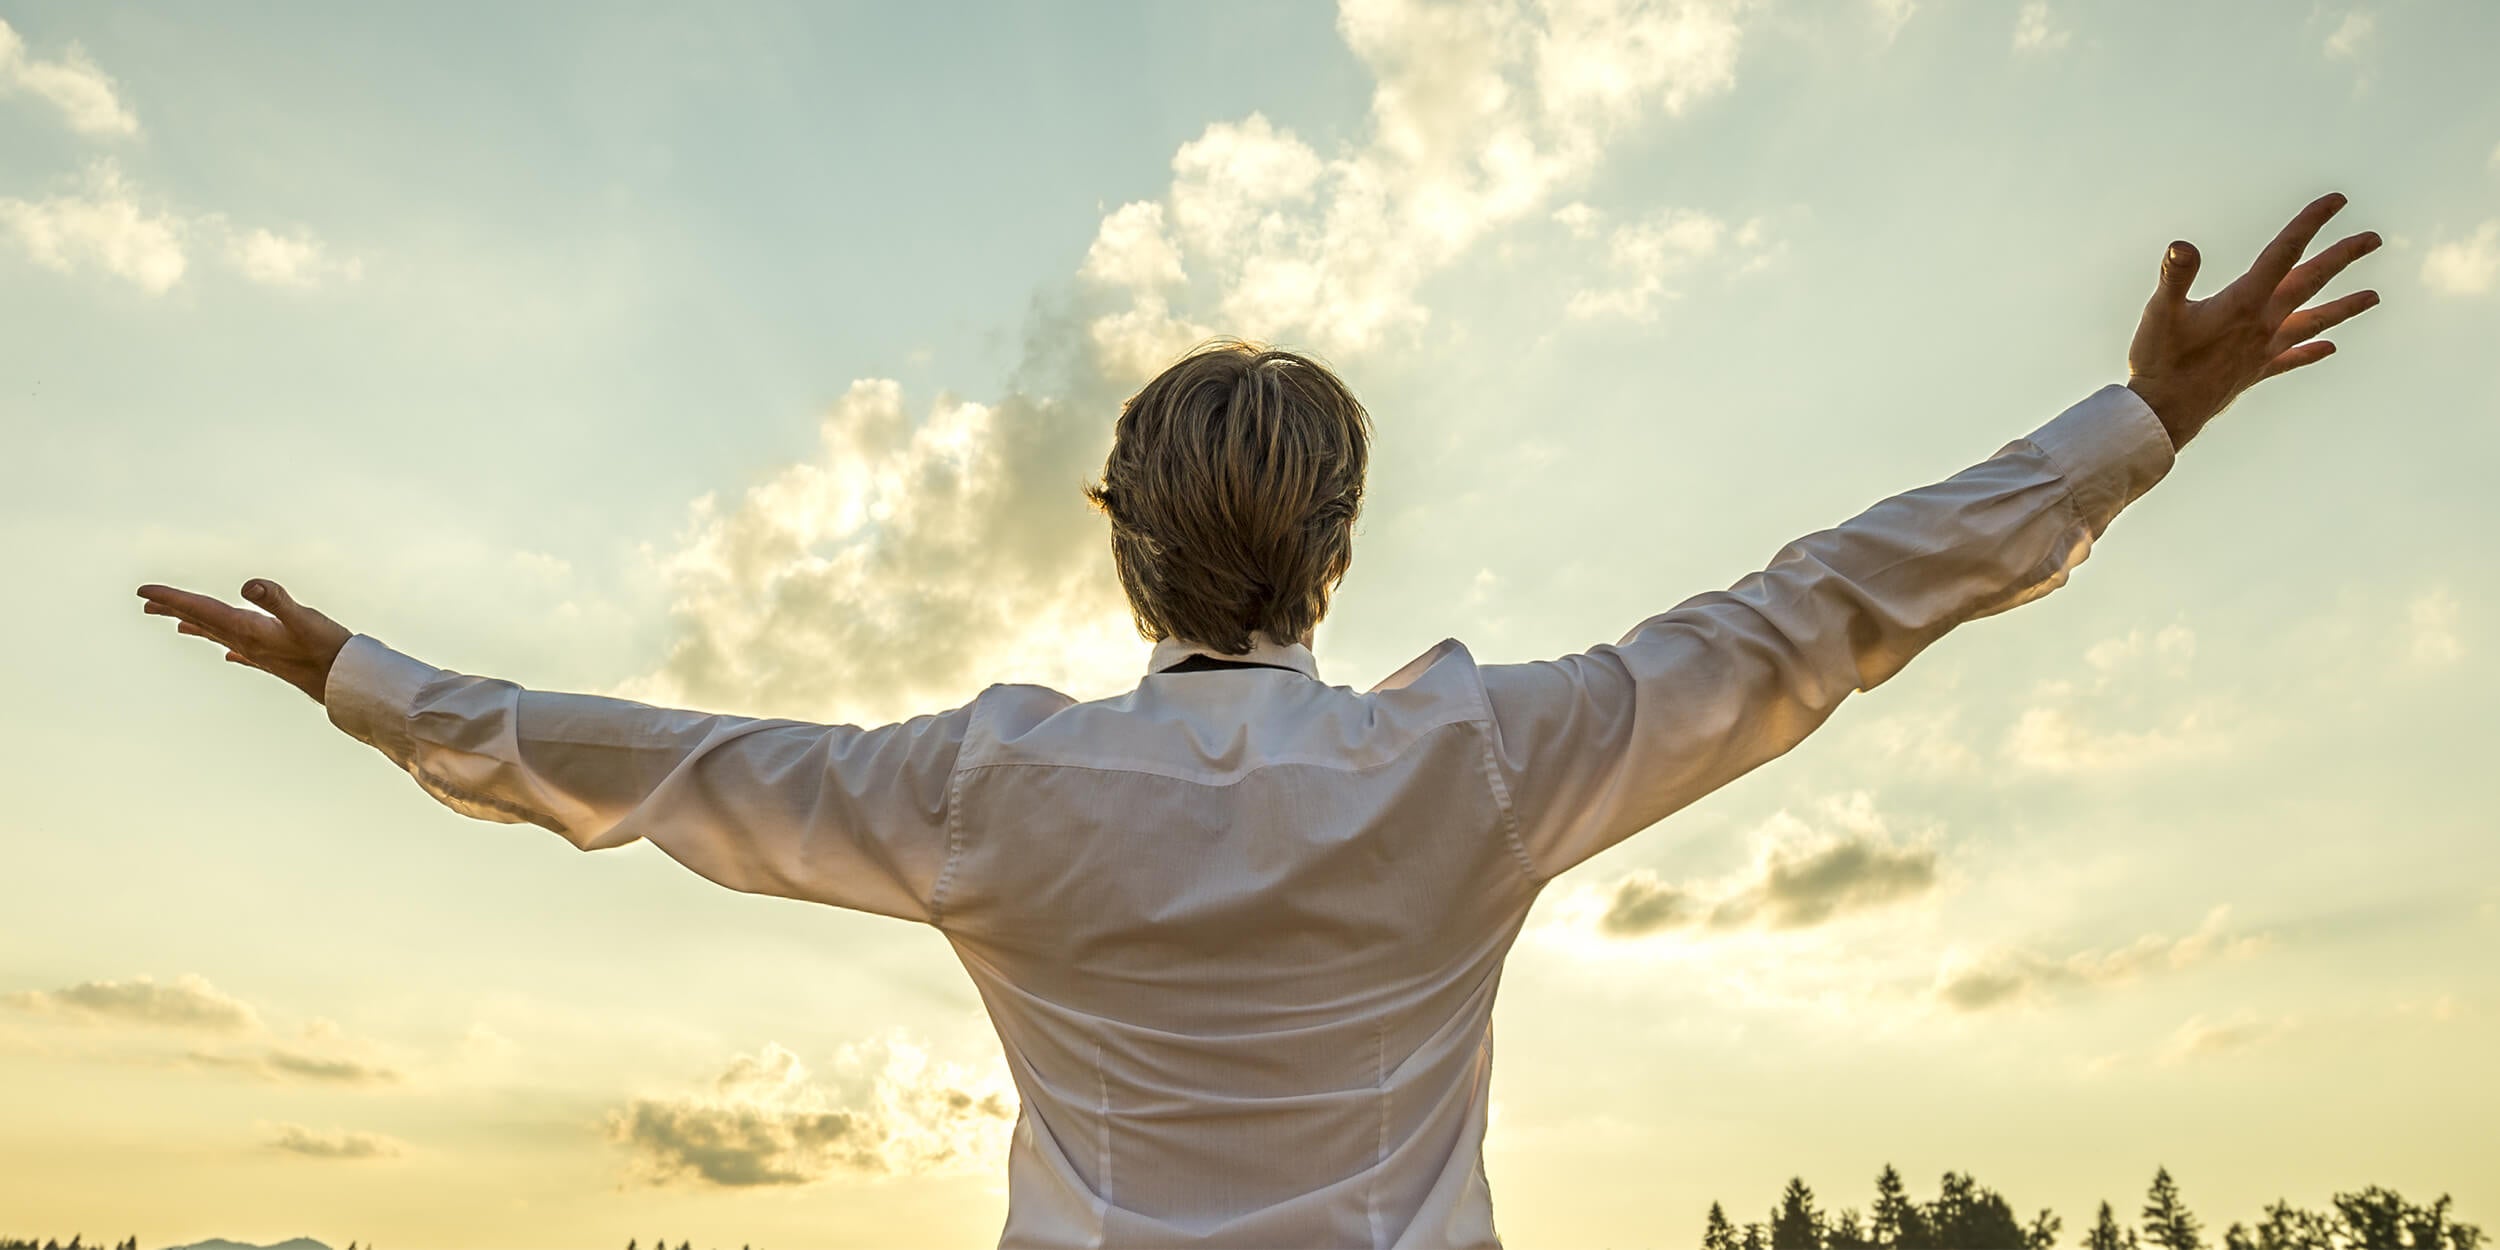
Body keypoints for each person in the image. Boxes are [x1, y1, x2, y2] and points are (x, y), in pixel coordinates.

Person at [138, 193, 2381, 1250]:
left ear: (1121, 545)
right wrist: (2124, 430)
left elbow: (653, 761)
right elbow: (1820, 616)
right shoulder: (1480, 759)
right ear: (1336, 550)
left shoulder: (981, 791)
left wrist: (366, 681)